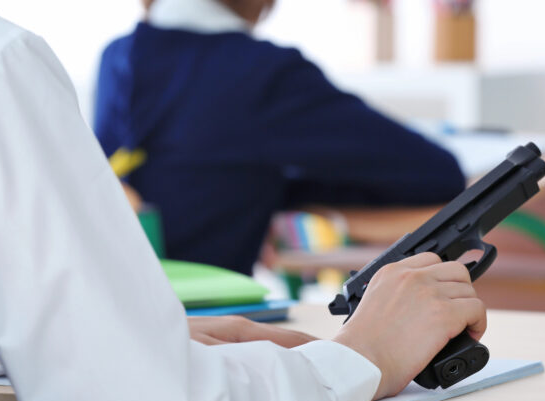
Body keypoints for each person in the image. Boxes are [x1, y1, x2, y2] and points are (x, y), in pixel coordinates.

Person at [0, 1, 486, 401]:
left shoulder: (120, 58)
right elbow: (432, 170)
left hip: (110, 384)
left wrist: (119, 340)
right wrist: (369, 353)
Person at [94, 0, 466, 275]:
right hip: (211, 318)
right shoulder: (261, 73)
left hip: (119, 303)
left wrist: (264, 185)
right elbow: (436, 173)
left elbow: (191, 168)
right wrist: (285, 191)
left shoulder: (118, 57)